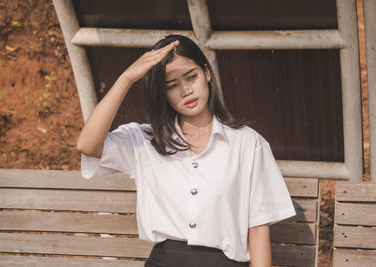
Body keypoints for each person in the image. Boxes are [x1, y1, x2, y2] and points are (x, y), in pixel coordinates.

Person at [76, 34, 296, 267]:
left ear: (207, 74)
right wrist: (126, 78)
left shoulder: (248, 144)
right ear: (164, 94)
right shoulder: (145, 141)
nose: (185, 90)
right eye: (172, 85)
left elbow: (258, 230)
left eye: (191, 77)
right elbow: (87, 145)